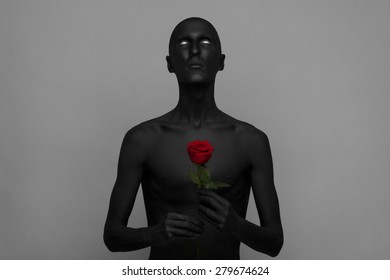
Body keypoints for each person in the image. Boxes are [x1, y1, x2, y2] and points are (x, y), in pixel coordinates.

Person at [103, 17, 283, 259]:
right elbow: (112, 236)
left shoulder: (251, 141)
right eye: (184, 43)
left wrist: (238, 226)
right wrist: (152, 234)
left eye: (206, 42)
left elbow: (274, 243)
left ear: (221, 62)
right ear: (170, 63)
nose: (195, 51)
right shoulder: (142, 140)